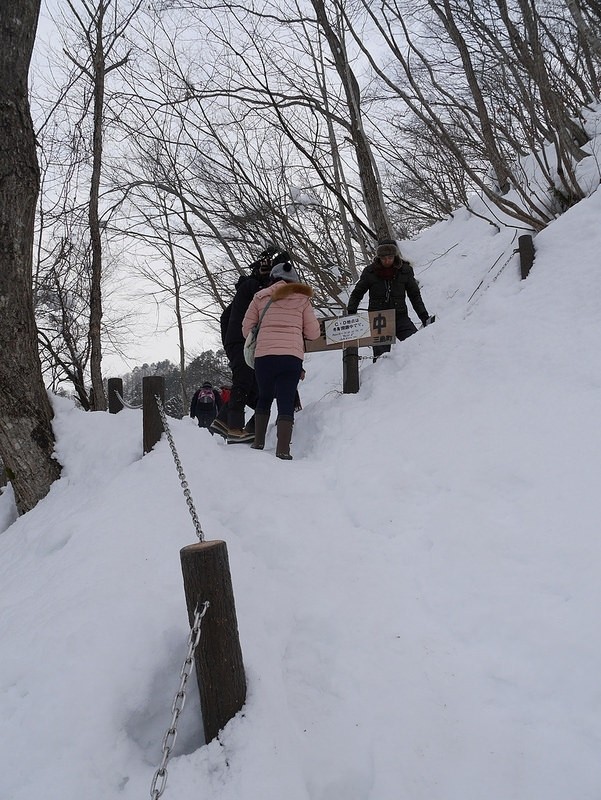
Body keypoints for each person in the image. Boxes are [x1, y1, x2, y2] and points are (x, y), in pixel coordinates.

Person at [242, 254, 321, 460]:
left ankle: (258, 443)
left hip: (264, 357)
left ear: (273, 278)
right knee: (286, 399)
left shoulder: (260, 297)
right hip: (290, 357)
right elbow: (313, 333)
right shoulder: (303, 300)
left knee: (265, 396)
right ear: (294, 281)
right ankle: (283, 450)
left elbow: (246, 330)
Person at [210, 247, 278, 443]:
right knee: (244, 382)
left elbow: (224, 318)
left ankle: (225, 422)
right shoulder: (250, 287)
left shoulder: (245, 292)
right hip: (242, 341)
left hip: (240, 342)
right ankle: (235, 428)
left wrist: (228, 342)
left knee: (255, 387)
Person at [347, 239, 435, 360]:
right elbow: (357, 293)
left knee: (416, 347)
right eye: (383, 258)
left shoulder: (405, 270)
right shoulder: (370, 272)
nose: (387, 261)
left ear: (395, 256)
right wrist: (351, 311)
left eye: (390, 257)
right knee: (381, 359)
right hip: (379, 320)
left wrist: (424, 317)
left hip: (400, 317)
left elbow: (414, 295)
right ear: (378, 257)